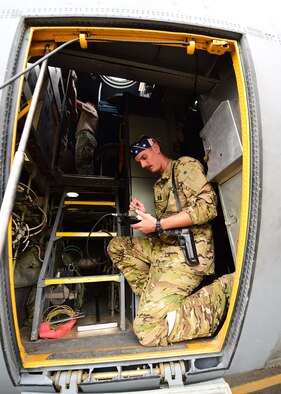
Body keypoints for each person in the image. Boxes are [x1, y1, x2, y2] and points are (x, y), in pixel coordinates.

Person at [107, 135, 233, 346]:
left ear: (156, 146)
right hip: (166, 249)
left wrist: (157, 224)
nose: (144, 164)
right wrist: (147, 219)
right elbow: (167, 229)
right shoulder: (160, 185)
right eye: (139, 162)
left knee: (147, 331)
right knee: (118, 246)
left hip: (189, 254)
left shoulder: (185, 166)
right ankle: (156, 294)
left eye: (145, 157)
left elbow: (208, 207)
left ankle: (225, 287)